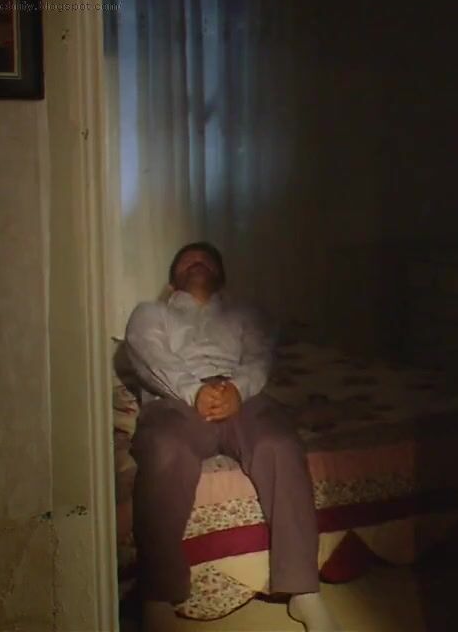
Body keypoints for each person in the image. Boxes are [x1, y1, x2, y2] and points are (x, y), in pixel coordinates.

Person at [125, 241, 339, 631]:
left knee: (280, 445)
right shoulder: (151, 313)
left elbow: (261, 358)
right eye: (188, 260)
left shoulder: (245, 315)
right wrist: (194, 392)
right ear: (172, 281)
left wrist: (238, 390)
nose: (197, 262)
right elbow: (149, 357)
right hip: (177, 399)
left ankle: (303, 591)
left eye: (206, 260)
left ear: (221, 278)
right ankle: (158, 593)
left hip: (241, 396)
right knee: (165, 450)